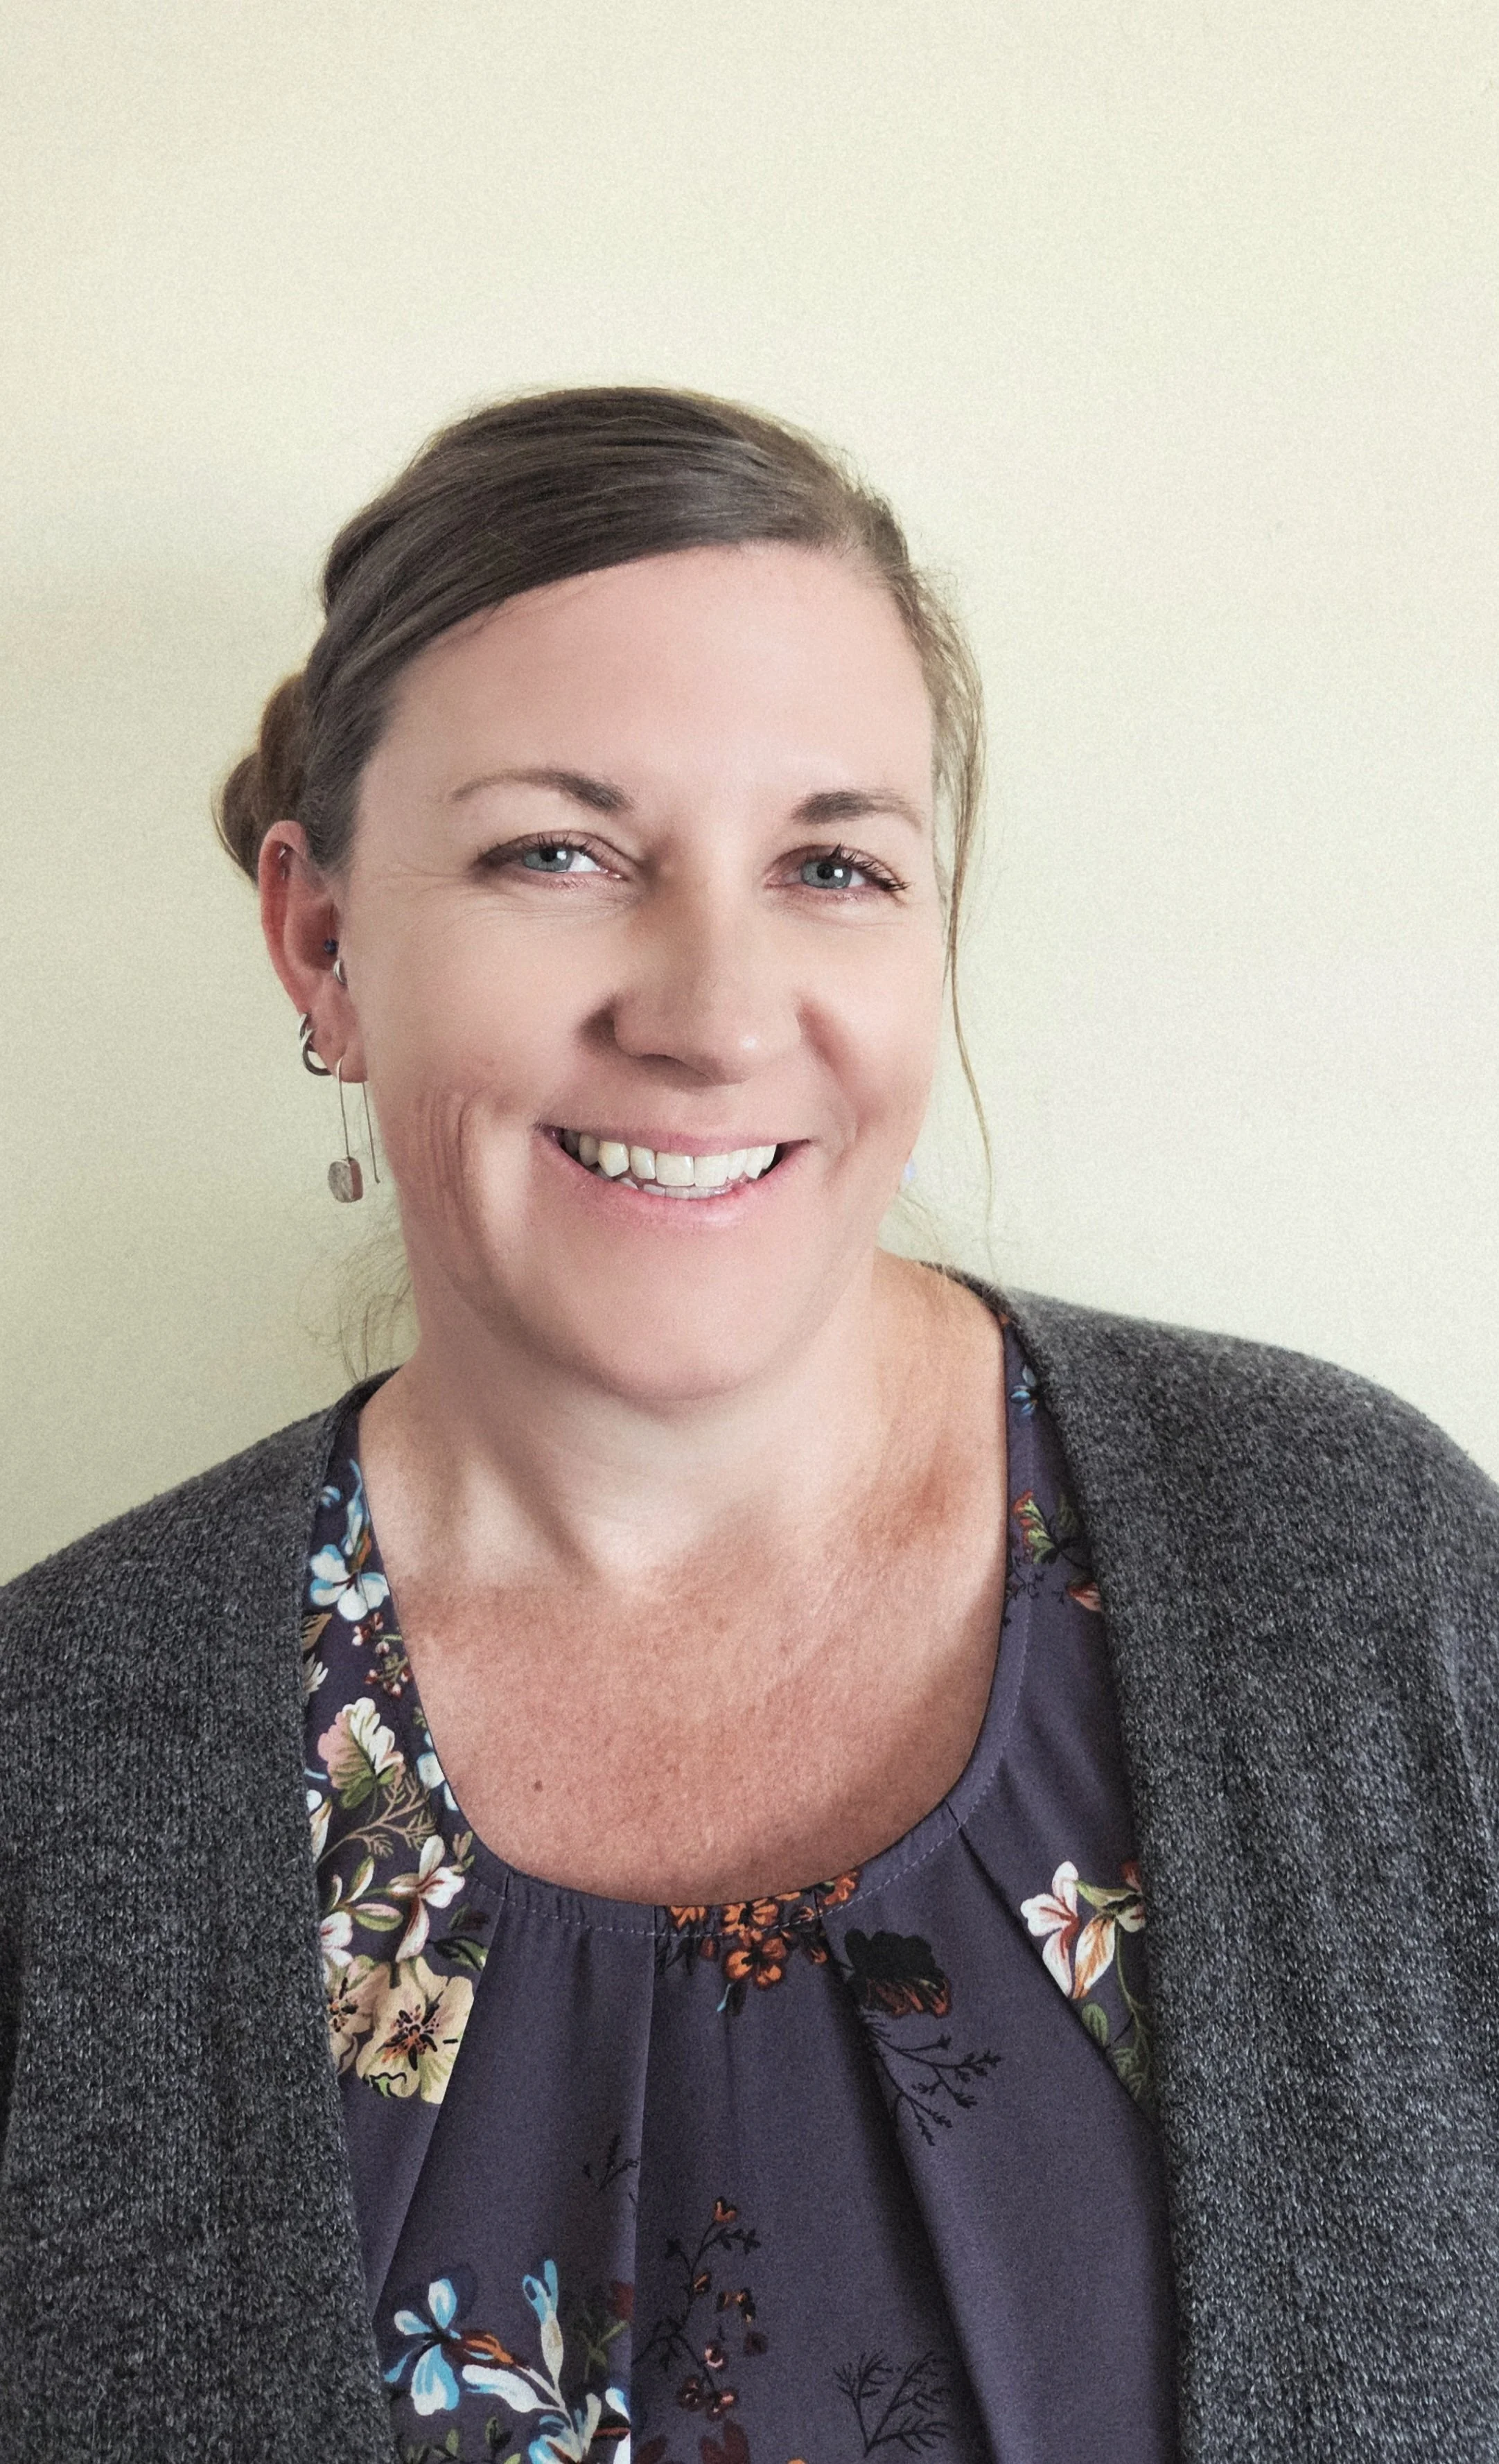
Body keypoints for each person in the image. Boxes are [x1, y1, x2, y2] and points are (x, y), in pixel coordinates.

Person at [2, 387, 1497, 2464]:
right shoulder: (53, 1758)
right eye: (560, 850)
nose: (712, 1009)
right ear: (322, 942)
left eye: (831, 862)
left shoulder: (1359, 1577)